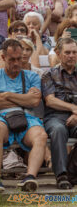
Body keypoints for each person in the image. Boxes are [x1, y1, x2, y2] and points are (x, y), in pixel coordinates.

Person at [0, 39, 47, 193]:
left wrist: (7, 95)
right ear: (3, 58)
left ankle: (30, 177)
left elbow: (34, 101)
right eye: (12, 59)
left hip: (26, 117)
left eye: (19, 59)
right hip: (1, 118)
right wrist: (22, 98)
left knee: (41, 135)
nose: (17, 63)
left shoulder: (32, 76)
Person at [41, 38, 77, 189]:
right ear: (58, 53)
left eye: (74, 52)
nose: (71, 55)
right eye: (67, 52)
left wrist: (76, 114)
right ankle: (62, 175)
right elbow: (50, 101)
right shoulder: (48, 74)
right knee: (58, 130)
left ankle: (70, 171)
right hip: (55, 117)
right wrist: (73, 108)